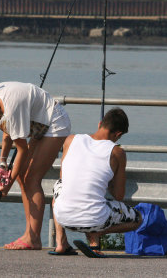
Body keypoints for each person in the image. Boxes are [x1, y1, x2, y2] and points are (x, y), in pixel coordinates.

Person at [0, 80, 71, 250]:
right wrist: (3, 161)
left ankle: (33, 238)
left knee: (31, 178)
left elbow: (21, 149)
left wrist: (8, 183)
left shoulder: (10, 107)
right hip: (38, 123)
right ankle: (29, 234)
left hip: (54, 123)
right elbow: (8, 132)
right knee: (23, 177)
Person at [50, 107, 141, 256]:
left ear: (100, 124)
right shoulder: (117, 152)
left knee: (58, 186)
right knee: (138, 219)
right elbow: (118, 195)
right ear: (118, 134)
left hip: (63, 217)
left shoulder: (71, 140)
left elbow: (63, 176)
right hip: (96, 221)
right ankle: (97, 234)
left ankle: (61, 243)